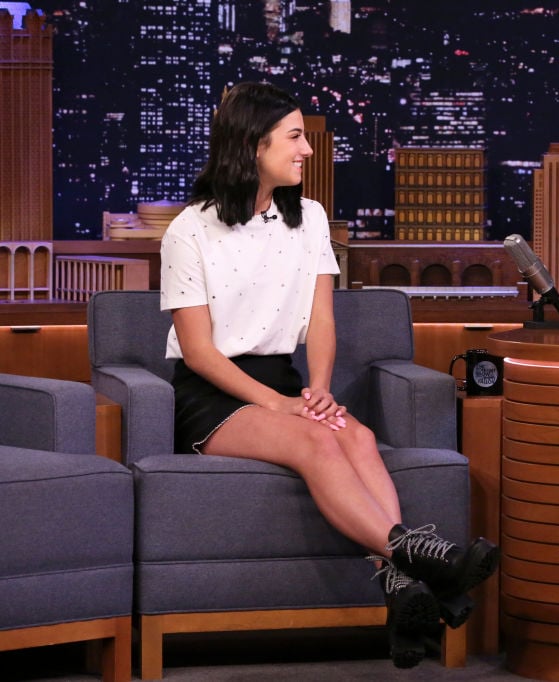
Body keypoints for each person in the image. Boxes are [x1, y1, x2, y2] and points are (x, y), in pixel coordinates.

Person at [159, 82, 498, 669]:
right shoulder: (188, 230)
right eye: (294, 137)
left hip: (284, 378)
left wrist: (316, 389)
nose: (307, 150)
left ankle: (401, 586)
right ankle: (428, 560)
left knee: (357, 436)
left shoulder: (309, 218)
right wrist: (280, 406)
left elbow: (321, 321)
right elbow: (198, 354)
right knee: (319, 441)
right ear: (253, 144)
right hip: (210, 392)